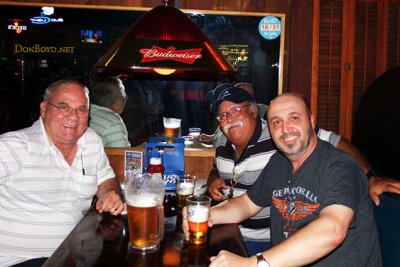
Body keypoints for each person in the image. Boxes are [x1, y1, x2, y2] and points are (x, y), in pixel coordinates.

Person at [183, 93, 382, 266]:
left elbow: (332, 231)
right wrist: (206, 213)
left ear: (312, 121)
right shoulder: (279, 163)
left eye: (294, 117)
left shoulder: (340, 165)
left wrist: (255, 263)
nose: (285, 129)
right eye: (276, 122)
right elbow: (245, 204)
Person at [0, 79, 124, 266]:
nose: (73, 117)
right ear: (44, 109)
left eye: (81, 109)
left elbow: (107, 181)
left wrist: (110, 193)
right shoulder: (15, 147)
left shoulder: (90, 140)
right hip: (24, 260)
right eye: (63, 107)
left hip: (77, 256)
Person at [199, 82, 268, 146]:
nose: (229, 119)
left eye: (235, 110)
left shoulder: (265, 114)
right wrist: (212, 137)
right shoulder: (225, 121)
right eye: (222, 114)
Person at [89, 76, 130, 147]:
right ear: (118, 101)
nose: (125, 100)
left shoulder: (87, 111)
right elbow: (122, 156)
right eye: (124, 96)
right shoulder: (113, 121)